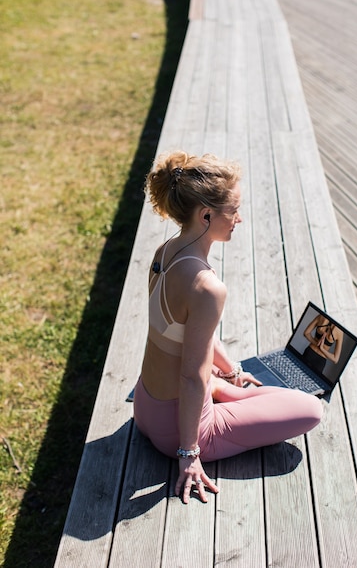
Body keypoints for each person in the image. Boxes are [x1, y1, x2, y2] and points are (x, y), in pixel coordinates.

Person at [133, 151, 322, 504]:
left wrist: (232, 371)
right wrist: (189, 454)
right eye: (233, 210)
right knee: (311, 409)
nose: (240, 218)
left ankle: (226, 388)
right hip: (180, 429)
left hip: (146, 405)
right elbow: (191, 378)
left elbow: (189, 336)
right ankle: (223, 394)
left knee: (254, 387)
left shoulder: (165, 251)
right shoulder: (206, 286)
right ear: (206, 215)